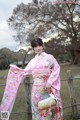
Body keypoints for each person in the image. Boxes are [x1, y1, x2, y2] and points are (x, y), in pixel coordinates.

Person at [24, 38, 63, 120]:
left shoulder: (50, 57)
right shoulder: (32, 61)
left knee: (50, 110)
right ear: (33, 48)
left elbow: (56, 69)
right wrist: (15, 72)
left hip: (48, 88)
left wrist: (50, 82)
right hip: (36, 91)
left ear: (42, 46)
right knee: (37, 110)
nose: (38, 48)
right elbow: (24, 72)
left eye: (39, 45)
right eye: (35, 46)